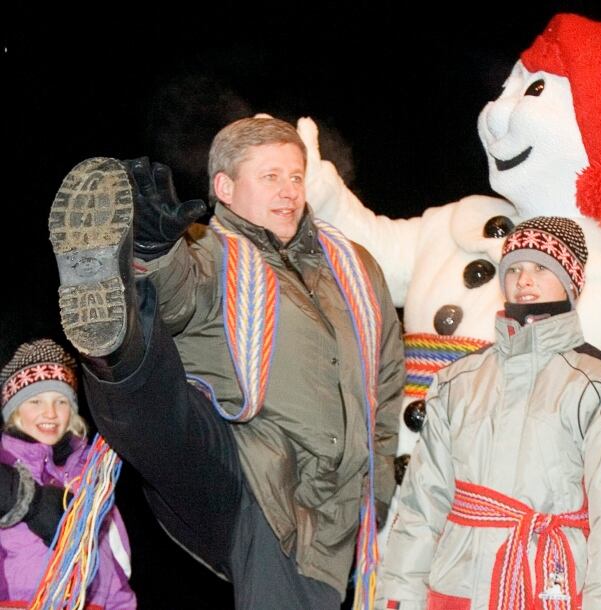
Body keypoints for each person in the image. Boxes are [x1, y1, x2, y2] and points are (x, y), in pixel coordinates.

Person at [47, 116, 405, 609]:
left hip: (320, 504)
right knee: (158, 387)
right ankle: (112, 341)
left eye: (296, 176)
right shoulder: (207, 250)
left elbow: (384, 385)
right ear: (225, 187)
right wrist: (154, 251)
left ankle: (118, 349)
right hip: (236, 463)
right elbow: (178, 293)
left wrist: (378, 485)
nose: (288, 191)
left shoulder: (354, 269)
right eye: (270, 176)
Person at [377, 217, 601, 610]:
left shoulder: (595, 383)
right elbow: (422, 505)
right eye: (515, 269)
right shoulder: (459, 381)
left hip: (549, 588)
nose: (525, 280)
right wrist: (399, 600)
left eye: (541, 268)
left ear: (572, 281)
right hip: (460, 588)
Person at [0, 338, 136, 608]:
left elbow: (114, 564)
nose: (50, 413)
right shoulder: (6, 464)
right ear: (14, 410)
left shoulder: (91, 479)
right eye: (35, 401)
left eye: (61, 401)